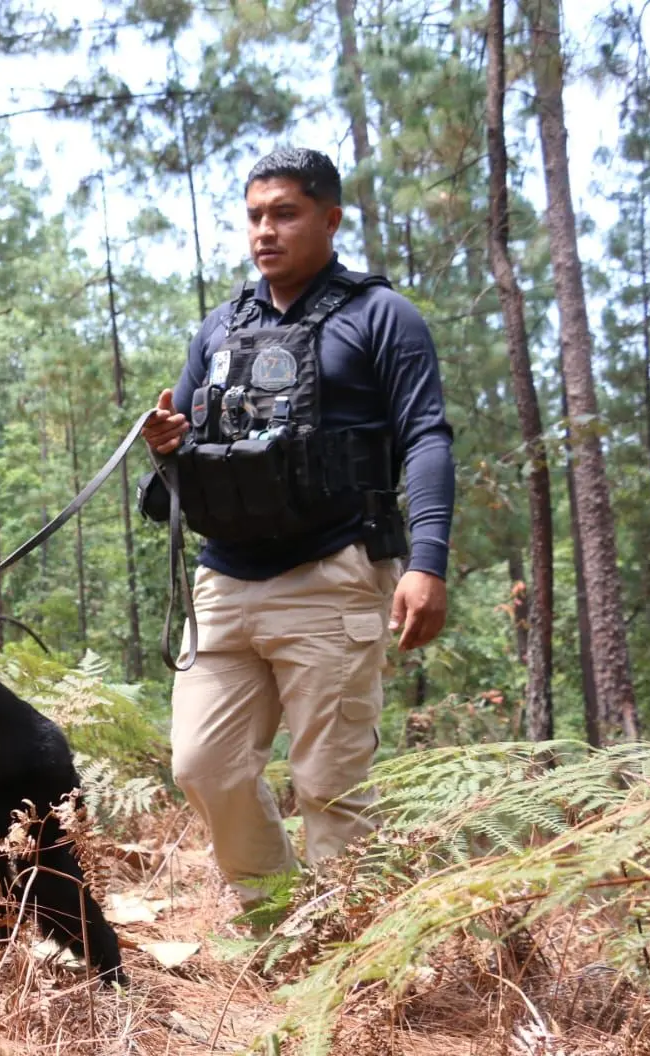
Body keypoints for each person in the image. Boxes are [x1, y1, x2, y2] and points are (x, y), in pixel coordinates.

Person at [139, 146, 454, 907]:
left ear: (329, 218)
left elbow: (426, 436)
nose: (264, 232)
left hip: (333, 573)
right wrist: (164, 446)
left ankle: (342, 966)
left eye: (284, 213)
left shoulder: (381, 317)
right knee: (201, 765)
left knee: (329, 785)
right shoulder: (218, 328)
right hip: (224, 579)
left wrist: (426, 559)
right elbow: (176, 446)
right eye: (253, 216)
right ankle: (273, 914)